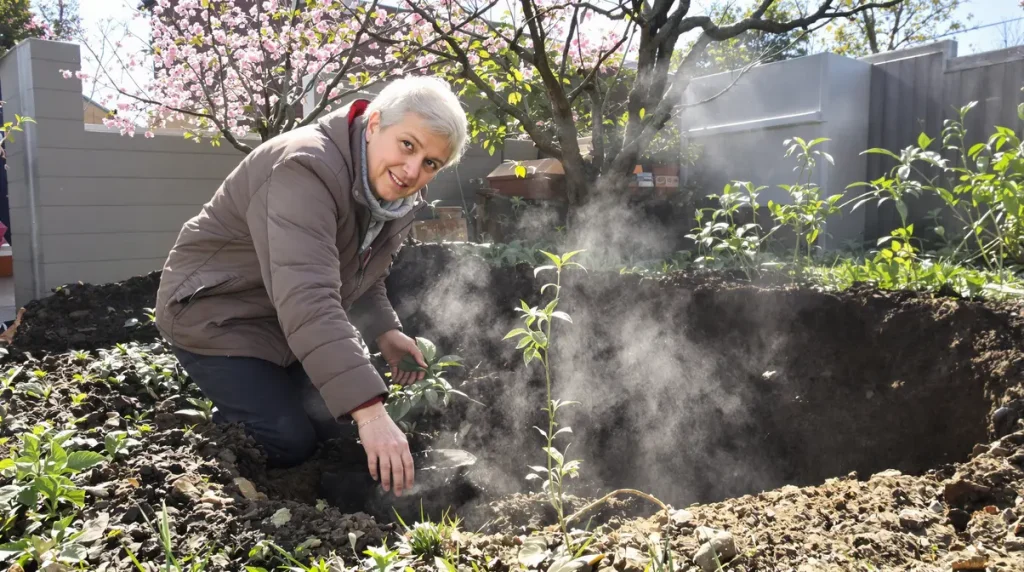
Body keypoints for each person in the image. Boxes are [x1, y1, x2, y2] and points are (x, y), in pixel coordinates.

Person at [154, 77, 469, 498]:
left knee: (335, 431)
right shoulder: (303, 167)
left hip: (283, 322)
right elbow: (308, 295)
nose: (413, 171)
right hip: (219, 316)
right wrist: (372, 414)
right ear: (374, 123)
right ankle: (211, 440)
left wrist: (385, 329)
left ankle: (269, 394)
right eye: (408, 145)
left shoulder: (390, 194)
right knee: (288, 441)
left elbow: (358, 269)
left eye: (431, 162)